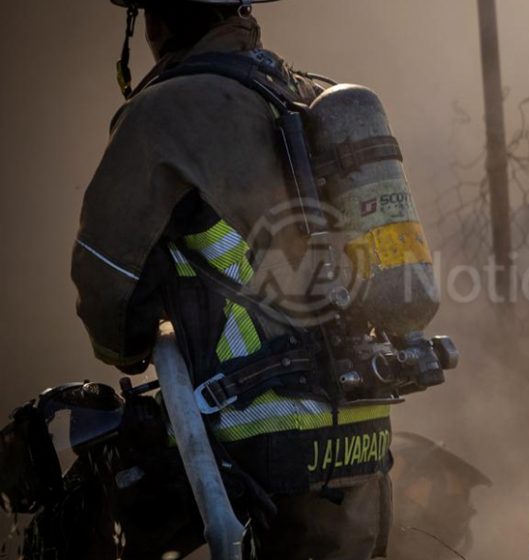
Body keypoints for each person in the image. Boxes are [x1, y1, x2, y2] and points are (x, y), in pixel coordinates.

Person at [71, 1, 393, 558]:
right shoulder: (310, 93)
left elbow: (110, 300)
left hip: (251, 441)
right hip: (364, 428)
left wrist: (127, 344)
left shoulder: (161, 112)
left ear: (157, 21)